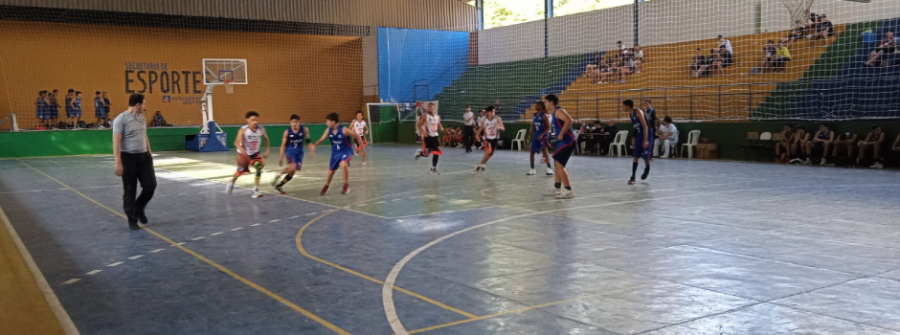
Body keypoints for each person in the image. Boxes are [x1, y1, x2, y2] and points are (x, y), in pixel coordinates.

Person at [112, 93, 156, 230]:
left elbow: (145, 135)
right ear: (138, 104)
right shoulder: (120, 119)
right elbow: (116, 142)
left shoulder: (142, 118)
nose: (144, 106)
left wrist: (149, 153)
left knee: (150, 185)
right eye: (143, 103)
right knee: (130, 191)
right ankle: (132, 219)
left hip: (144, 158)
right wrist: (118, 162)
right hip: (128, 159)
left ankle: (139, 207)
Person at [311, 113, 361, 195]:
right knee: (331, 171)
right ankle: (326, 186)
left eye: (327, 121)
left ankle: (346, 185)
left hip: (346, 150)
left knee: (344, 164)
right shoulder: (328, 130)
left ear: (333, 122)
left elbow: (357, 136)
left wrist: (360, 149)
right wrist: (314, 146)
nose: (326, 122)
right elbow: (321, 140)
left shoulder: (344, 130)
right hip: (335, 152)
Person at [226, 111, 270, 199]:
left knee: (259, 167)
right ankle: (231, 182)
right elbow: (236, 143)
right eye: (252, 120)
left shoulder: (261, 129)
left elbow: (266, 138)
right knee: (240, 172)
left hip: (255, 153)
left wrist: (267, 150)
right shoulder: (243, 130)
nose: (255, 122)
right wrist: (244, 153)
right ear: (247, 120)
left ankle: (255, 190)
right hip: (243, 154)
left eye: (256, 120)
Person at [544, 95, 575, 199]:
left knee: (559, 165)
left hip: (567, 141)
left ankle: (568, 190)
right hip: (562, 141)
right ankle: (557, 187)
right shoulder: (553, 113)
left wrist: (561, 133)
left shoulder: (558, 111)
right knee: (557, 163)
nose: (545, 104)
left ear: (551, 102)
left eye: (546, 102)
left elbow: (569, 120)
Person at [272, 114, 310, 195]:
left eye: (296, 122)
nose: (294, 124)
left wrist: (311, 148)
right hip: (290, 152)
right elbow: (283, 145)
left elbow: (308, 140)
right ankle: (277, 176)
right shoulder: (287, 132)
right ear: (290, 122)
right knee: (292, 167)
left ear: (299, 122)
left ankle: (279, 186)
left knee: (292, 173)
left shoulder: (304, 130)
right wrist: (281, 157)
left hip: (299, 153)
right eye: (293, 122)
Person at [625, 100, 651, 185]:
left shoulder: (638, 111)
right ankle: (633, 177)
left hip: (647, 134)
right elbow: (636, 129)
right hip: (639, 135)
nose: (622, 108)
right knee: (636, 155)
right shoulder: (631, 115)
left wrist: (646, 140)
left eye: (623, 106)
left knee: (645, 156)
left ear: (628, 106)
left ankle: (647, 167)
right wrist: (633, 138)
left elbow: (645, 126)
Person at [414, 103, 444, 174]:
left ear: (434, 108)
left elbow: (439, 125)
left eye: (432, 107)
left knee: (436, 152)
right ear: (428, 108)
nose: (431, 108)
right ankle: (420, 153)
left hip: (435, 137)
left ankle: (433, 168)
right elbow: (418, 125)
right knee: (426, 154)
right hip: (428, 137)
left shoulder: (437, 117)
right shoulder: (425, 116)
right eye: (429, 107)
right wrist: (422, 131)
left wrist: (442, 128)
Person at [474, 105, 503, 173]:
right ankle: (480, 164)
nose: (493, 113)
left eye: (494, 111)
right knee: (488, 152)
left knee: (490, 154)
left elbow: (502, 128)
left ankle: (482, 164)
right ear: (488, 112)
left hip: (495, 139)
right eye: (492, 111)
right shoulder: (485, 120)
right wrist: (476, 135)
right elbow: (481, 128)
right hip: (487, 138)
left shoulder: (497, 118)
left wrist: (498, 127)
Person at [527, 101, 553, 176]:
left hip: (544, 134)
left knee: (545, 150)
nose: (535, 106)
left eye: (537, 105)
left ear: (541, 106)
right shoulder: (534, 115)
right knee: (532, 152)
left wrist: (542, 134)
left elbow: (548, 127)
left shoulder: (544, 115)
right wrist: (529, 134)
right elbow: (533, 126)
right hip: (536, 134)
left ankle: (549, 168)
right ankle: (532, 169)